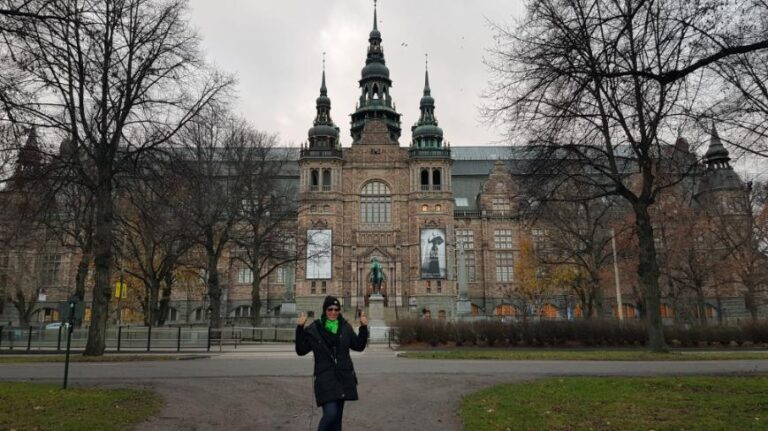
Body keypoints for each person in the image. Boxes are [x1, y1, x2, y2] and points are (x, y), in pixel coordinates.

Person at [296, 295, 369, 431]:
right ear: (325, 310)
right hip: (325, 378)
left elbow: (358, 346)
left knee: (337, 420)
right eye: (330, 309)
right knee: (330, 414)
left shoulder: (345, 327)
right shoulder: (315, 329)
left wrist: (363, 327)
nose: (333, 312)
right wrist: (300, 328)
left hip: (343, 377)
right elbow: (301, 350)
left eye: (336, 309)